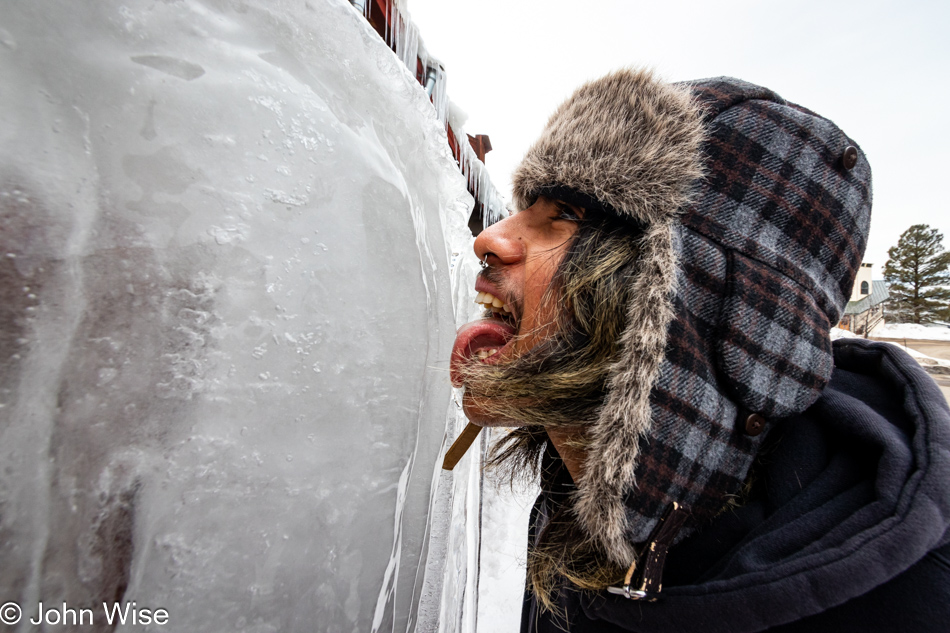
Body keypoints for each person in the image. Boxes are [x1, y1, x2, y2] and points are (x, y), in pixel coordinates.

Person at [449, 69, 950, 632]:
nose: (487, 238)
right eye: (527, 207)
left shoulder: (916, 602)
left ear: (702, 306)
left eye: (565, 214)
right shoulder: (586, 491)